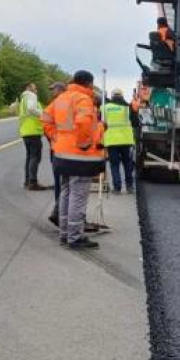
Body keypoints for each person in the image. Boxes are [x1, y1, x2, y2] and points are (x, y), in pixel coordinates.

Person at [42, 70, 106, 250]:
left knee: (66, 192)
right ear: (88, 83)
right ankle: (75, 237)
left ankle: (65, 234)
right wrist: (89, 140)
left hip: (61, 153)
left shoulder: (61, 98)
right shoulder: (83, 99)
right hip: (80, 156)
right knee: (78, 196)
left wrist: (55, 137)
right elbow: (84, 124)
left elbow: (45, 118)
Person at [103, 88, 139, 194]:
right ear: (122, 96)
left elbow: (101, 123)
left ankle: (117, 188)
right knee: (127, 164)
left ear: (112, 96)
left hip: (111, 141)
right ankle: (129, 187)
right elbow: (135, 123)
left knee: (114, 165)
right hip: (126, 140)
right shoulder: (128, 108)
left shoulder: (105, 107)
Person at [42, 82, 67, 225]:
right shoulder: (54, 105)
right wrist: (54, 137)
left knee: (62, 182)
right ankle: (60, 212)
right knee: (63, 182)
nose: (53, 92)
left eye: (54, 90)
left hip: (59, 149)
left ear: (61, 90)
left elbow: (46, 123)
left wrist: (53, 137)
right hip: (60, 149)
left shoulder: (58, 104)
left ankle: (59, 212)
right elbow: (45, 124)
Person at [18, 82, 48, 190]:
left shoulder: (23, 98)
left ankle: (27, 181)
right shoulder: (31, 96)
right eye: (35, 88)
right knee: (35, 157)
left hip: (26, 131)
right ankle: (33, 182)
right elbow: (31, 109)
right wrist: (43, 114)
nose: (36, 90)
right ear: (29, 88)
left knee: (30, 157)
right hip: (33, 131)